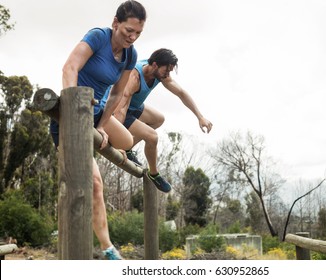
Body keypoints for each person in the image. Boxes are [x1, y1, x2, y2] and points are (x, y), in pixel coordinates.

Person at [49, 0, 146, 260]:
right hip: (72, 114)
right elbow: (69, 68)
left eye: (138, 33)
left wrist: (102, 126)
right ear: (115, 24)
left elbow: (117, 92)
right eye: (128, 31)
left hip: (96, 115)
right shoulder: (98, 37)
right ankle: (107, 248)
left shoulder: (130, 54)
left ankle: (101, 138)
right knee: (94, 183)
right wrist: (72, 108)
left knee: (126, 141)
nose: (132, 37)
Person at [102, 48, 213, 193]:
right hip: (117, 109)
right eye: (166, 71)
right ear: (155, 65)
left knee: (158, 119)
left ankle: (129, 149)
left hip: (134, 107)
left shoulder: (160, 75)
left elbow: (181, 93)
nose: (168, 75)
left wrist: (200, 116)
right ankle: (153, 174)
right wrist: (118, 141)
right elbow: (120, 108)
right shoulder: (134, 78)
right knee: (152, 137)